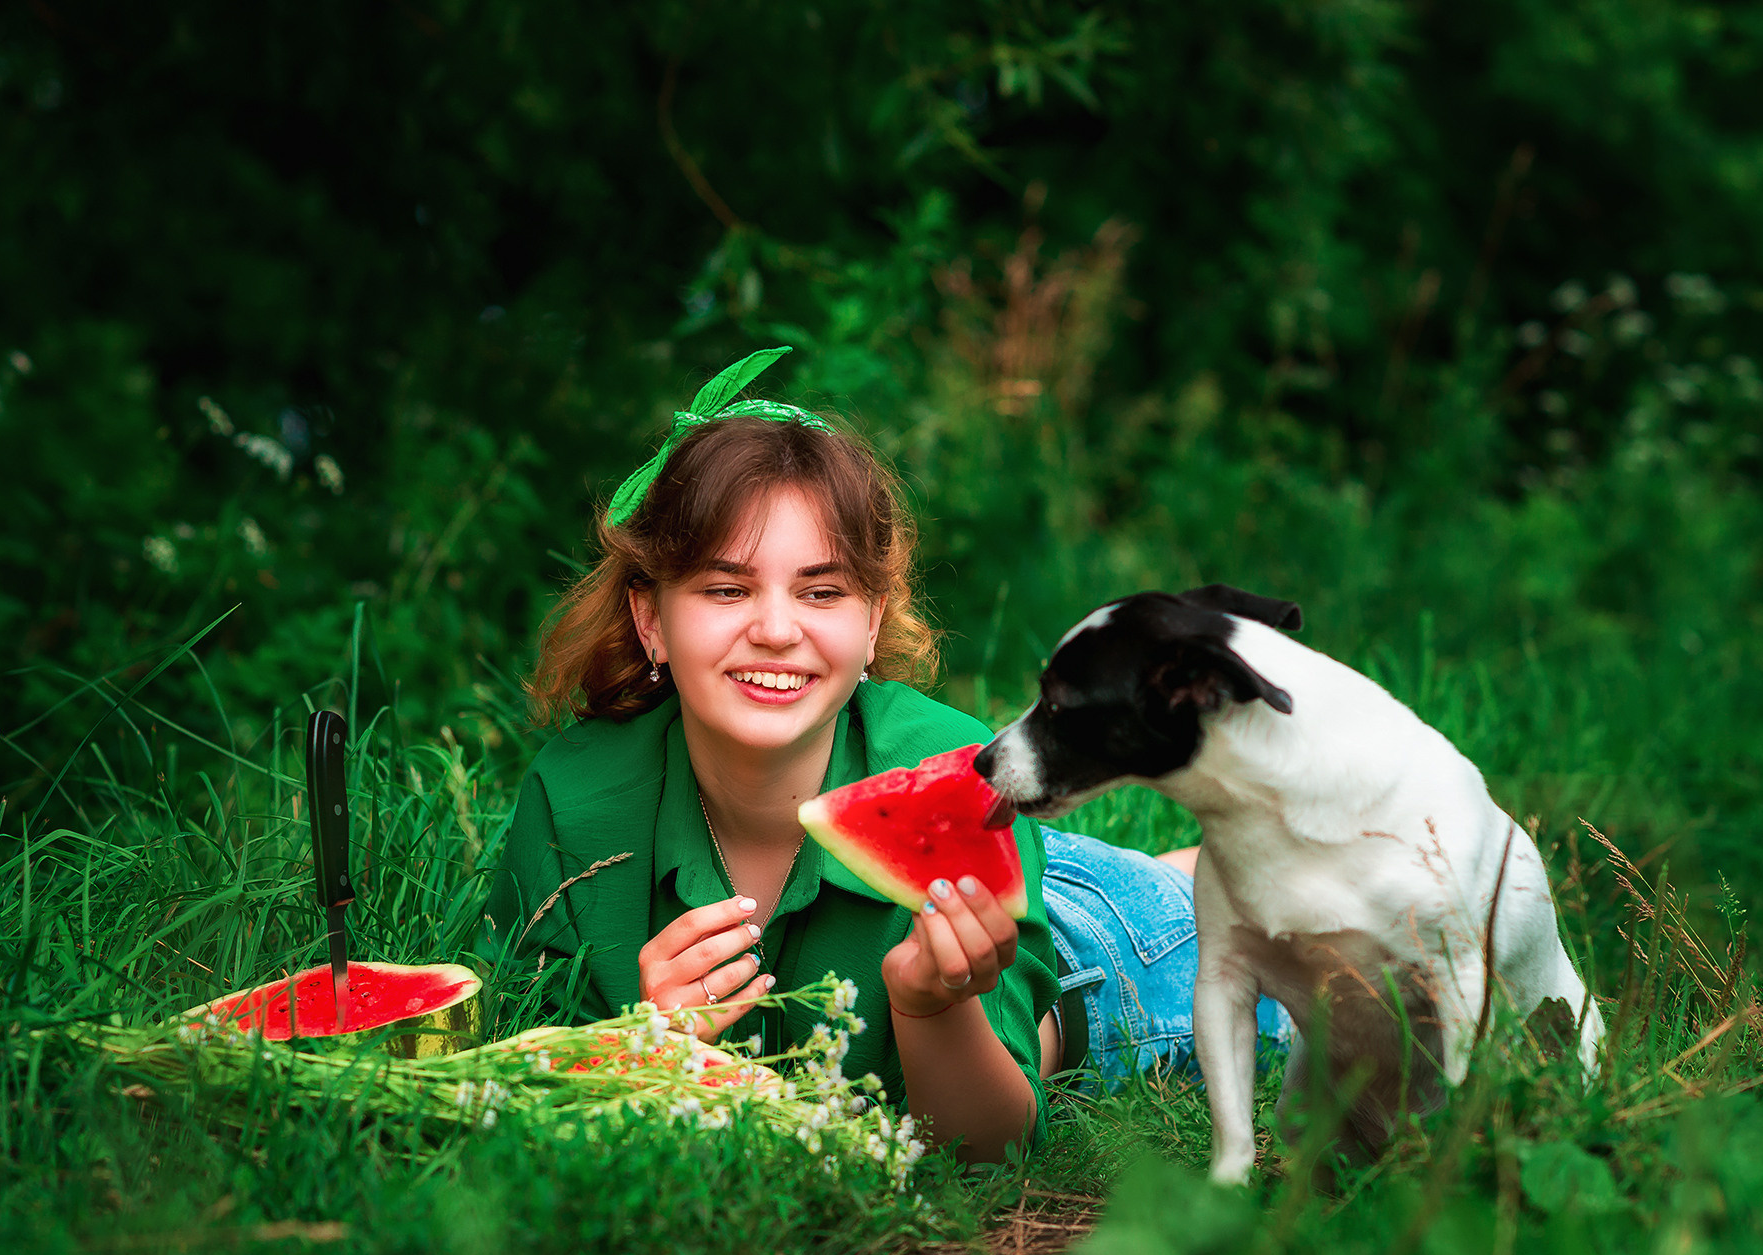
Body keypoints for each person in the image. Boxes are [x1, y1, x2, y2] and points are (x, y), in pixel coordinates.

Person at [483, 348, 1289, 1163]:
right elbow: (521, 1074)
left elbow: (985, 1150)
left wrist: (932, 1007)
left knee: (1318, 946)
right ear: (651, 620)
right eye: (726, 589)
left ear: (872, 622)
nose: (774, 627)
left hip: (1106, 956)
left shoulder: (957, 764)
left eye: (821, 591)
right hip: (1018, 865)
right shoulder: (571, 809)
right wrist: (640, 1052)